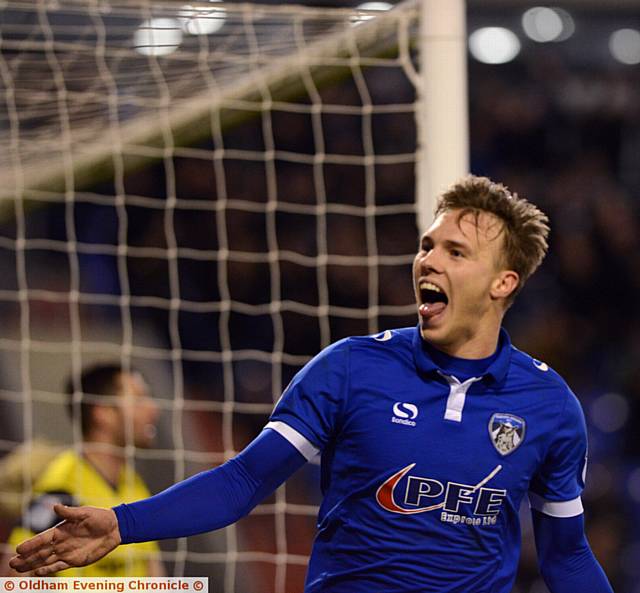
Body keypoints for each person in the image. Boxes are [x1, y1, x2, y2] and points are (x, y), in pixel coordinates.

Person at [10, 176, 613, 592]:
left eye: (455, 252)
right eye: (428, 245)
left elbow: (566, 555)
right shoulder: (351, 367)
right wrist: (122, 523)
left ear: (504, 283)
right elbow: (245, 480)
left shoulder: (550, 407)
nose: (428, 261)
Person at [4, 363, 163, 577]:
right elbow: (12, 572)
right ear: (103, 413)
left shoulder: (133, 483)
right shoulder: (64, 483)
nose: (153, 409)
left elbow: (154, 571)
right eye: (138, 399)